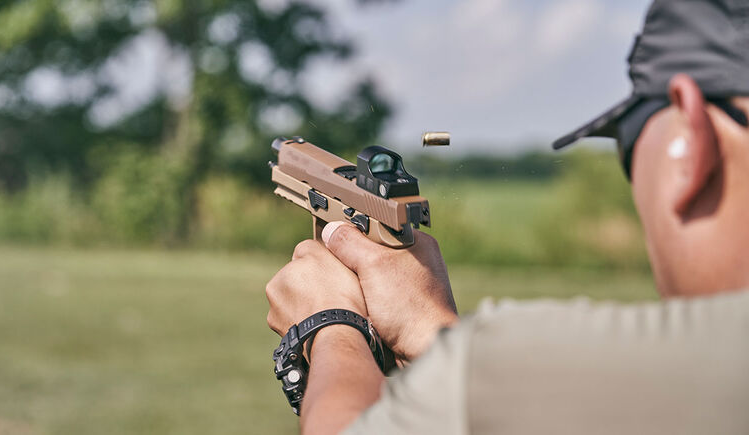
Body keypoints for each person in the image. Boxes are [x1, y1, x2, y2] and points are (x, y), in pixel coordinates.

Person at [265, 0, 749, 433]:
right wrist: (427, 330)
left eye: (628, 146)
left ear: (692, 141)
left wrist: (329, 326)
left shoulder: (497, 363)